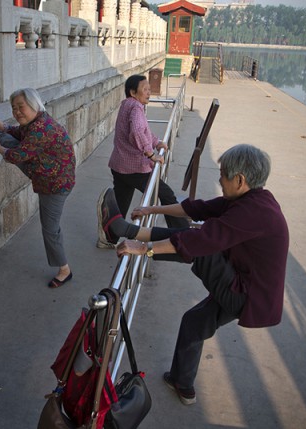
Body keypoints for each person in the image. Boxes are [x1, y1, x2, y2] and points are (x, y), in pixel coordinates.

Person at [97, 144, 289, 405]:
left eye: (223, 175)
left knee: (201, 244)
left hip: (246, 295)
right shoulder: (252, 200)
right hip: (246, 289)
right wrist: (152, 210)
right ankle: (183, 385)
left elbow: (202, 240)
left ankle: (125, 231)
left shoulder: (253, 212)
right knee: (194, 323)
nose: (219, 180)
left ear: (240, 180)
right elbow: (196, 209)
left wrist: (144, 249)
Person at [0, 87, 76, 288]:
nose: (16, 112)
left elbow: (16, 155)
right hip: (47, 173)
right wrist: (1, 126)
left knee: (51, 230)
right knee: (5, 137)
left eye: (21, 107)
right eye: (13, 108)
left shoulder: (42, 129)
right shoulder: (37, 121)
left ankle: (65, 270)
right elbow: (19, 133)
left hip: (54, 186)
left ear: (34, 105)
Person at [98, 74, 189, 249]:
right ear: (133, 92)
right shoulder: (136, 108)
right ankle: (183, 238)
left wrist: (156, 142)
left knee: (121, 206)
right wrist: (151, 154)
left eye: (149, 89)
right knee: (167, 195)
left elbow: (144, 131)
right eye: (145, 90)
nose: (148, 93)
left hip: (120, 165)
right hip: (134, 169)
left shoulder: (128, 105)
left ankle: (109, 239)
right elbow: (138, 132)